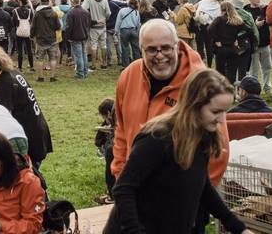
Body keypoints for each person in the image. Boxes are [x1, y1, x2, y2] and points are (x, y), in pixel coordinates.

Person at [111, 19, 229, 234]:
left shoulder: (199, 84)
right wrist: (121, 174)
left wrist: (193, 201)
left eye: (165, 48)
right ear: (141, 50)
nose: (159, 56)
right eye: (151, 50)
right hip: (137, 197)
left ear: (177, 45)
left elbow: (216, 150)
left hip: (180, 206)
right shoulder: (129, 76)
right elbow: (121, 130)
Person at [105, 69, 253, 234]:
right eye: (215, 112)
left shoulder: (202, 136)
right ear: (194, 105)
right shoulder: (157, 138)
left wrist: (239, 228)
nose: (221, 119)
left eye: (224, 111)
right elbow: (124, 188)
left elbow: (202, 186)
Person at [0, 43, 53, 171]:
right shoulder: (13, 72)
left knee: (27, 179)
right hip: (39, 131)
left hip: (29, 138)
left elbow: (5, 121)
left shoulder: (4, 84)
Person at [208, 1, 253, 83]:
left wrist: (217, 39)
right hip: (233, 47)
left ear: (222, 9)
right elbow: (249, 30)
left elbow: (210, 29)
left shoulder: (219, 19)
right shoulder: (237, 20)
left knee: (220, 72)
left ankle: (222, 90)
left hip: (221, 48)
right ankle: (231, 90)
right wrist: (238, 38)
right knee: (232, 72)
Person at [244, 0, 272, 94]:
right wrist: (256, 25)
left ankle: (267, 88)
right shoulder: (245, 11)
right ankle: (254, 90)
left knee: (267, 67)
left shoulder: (264, 9)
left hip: (265, 43)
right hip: (254, 45)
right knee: (254, 69)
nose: (258, 0)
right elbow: (245, 28)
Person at [31, 0, 62, 83]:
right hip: (52, 39)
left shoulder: (37, 14)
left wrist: (31, 35)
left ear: (41, 2)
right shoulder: (53, 13)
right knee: (53, 59)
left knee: (40, 59)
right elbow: (58, 26)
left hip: (41, 39)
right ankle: (52, 77)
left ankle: (41, 77)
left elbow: (33, 26)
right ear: (48, 2)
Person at [82, 0, 111, 70]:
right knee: (103, 45)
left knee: (93, 45)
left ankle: (93, 65)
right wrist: (105, 19)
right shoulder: (104, 0)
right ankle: (104, 63)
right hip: (102, 25)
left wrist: (89, 18)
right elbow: (108, 13)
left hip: (93, 25)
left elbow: (83, 9)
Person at [66, 0, 92, 79]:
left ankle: (80, 73)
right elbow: (88, 24)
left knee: (79, 56)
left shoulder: (71, 12)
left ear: (72, 1)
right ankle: (84, 72)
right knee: (83, 54)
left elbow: (69, 27)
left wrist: (68, 37)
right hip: (84, 35)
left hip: (75, 36)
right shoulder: (86, 12)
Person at [114, 0, 141, 68]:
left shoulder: (122, 10)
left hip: (124, 30)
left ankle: (126, 65)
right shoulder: (136, 12)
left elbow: (118, 22)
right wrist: (138, 32)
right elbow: (138, 24)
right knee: (136, 48)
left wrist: (116, 32)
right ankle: (137, 65)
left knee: (125, 48)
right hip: (134, 30)